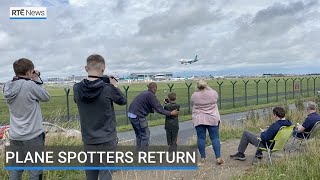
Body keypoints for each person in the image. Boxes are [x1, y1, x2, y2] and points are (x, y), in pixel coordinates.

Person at [73, 54, 127, 180]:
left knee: (91, 174)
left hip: (88, 139)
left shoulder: (77, 88)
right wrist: (113, 85)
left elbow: (78, 99)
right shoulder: (108, 89)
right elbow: (122, 100)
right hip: (107, 138)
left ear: (86, 68)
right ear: (103, 69)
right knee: (105, 174)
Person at [3, 58, 50, 180]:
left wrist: (31, 77)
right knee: (35, 171)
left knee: (16, 170)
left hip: (15, 135)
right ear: (29, 72)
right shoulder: (29, 85)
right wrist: (37, 78)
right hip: (32, 135)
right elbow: (45, 96)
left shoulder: (7, 86)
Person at [128, 82, 179, 151]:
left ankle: (138, 153)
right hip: (138, 116)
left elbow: (152, 107)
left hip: (131, 115)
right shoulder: (151, 95)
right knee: (145, 136)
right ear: (154, 88)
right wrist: (170, 113)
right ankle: (143, 155)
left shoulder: (145, 93)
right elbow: (159, 109)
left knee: (139, 135)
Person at [191, 80, 224, 165]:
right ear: (206, 85)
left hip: (199, 119)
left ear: (198, 86)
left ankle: (203, 157)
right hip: (212, 118)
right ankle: (218, 157)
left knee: (201, 138)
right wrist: (207, 86)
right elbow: (215, 95)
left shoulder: (195, 95)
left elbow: (193, 103)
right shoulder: (213, 93)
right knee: (215, 137)